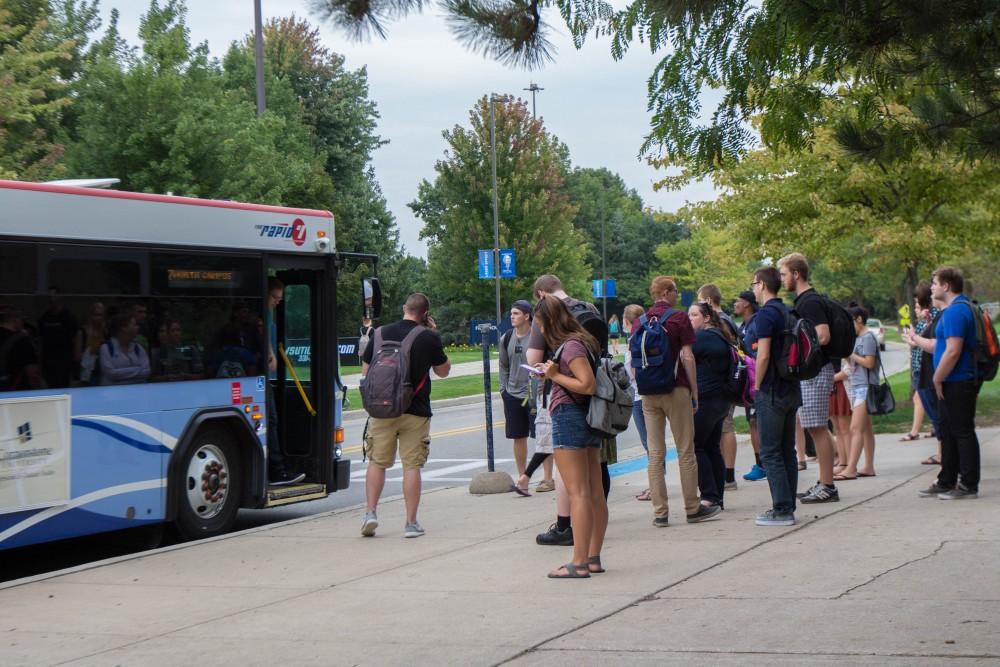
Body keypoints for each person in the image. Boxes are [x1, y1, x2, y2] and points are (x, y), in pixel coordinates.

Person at [528, 274, 609, 546]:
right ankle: (593, 557)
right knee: (592, 491)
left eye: (539, 324)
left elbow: (586, 384)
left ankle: (581, 558)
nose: (538, 329)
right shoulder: (581, 337)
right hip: (586, 415)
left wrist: (553, 375)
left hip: (570, 414)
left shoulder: (571, 345)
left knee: (580, 493)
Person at [360, 293, 451, 537]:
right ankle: (410, 523)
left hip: (382, 410)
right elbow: (443, 371)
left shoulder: (379, 334)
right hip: (415, 410)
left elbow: (366, 371)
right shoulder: (428, 337)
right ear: (425, 314)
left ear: (404, 308)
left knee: (377, 462)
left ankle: (370, 513)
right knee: (412, 466)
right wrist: (433, 333)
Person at [642, 276, 720, 526]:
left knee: (655, 454)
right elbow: (687, 356)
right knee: (686, 450)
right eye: (675, 291)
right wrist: (694, 391)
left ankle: (660, 512)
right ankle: (692, 507)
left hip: (649, 393)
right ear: (666, 292)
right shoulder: (678, 318)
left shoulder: (640, 322)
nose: (677, 294)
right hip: (676, 389)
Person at [914, 267, 981, 499]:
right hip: (951, 379)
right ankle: (947, 480)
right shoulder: (953, 310)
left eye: (934, 283)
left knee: (962, 432)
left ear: (946, 286)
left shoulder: (955, 312)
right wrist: (916, 339)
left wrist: (937, 377)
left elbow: (952, 351)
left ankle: (968, 484)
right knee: (948, 432)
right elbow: (939, 345)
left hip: (958, 380)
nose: (931, 287)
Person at [778, 253, 839, 504]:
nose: (782, 279)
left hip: (815, 370)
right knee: (814, 426)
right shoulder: (805, 300)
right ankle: (824, 481)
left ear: (796, 274)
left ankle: (828, 485)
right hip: (812, 372)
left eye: (783, 274)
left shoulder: (809, 302)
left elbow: (823, 336)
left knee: (818, 427)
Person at [746, 267, 802, 526]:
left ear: (761, 285)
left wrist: (757, 386)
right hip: (791, 386)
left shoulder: (766, 315)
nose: (753, 289)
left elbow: (764, 354)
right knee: (786, 450)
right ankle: (788, 504)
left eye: (754, 284)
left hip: (772, 389)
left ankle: (781, 510)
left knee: (770, 452)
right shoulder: (787, 311)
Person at [502, 300, 552, 495]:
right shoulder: (507, 337)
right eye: (511, 313)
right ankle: (522, 476)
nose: (512, 317)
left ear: (526, 316)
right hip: (513, 393)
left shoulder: (537, 336)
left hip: (534, 392)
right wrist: (503, 389)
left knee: (541, 435)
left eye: (516, 313)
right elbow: (503, 365)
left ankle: (548, 478)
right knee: (518, 436)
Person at [688, 301, 734, 510]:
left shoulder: (702, 338)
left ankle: (709, 495)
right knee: (711, 446)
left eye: (694, 315)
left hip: (707, 399)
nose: (690, 320)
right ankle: (718, 496)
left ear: (706, 317)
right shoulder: (720, 335)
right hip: (722, 400)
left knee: (696, 446)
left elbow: (683, 359)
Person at [698, 284, 740, 490]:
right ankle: (726, 477)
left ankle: (727, 476)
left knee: (723, 430)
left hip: (717, 391)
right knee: (718, 437)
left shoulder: (714, 328)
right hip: (725, 389)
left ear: (707, 303)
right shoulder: (727, 322)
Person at [835, 305, 878, 480]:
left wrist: (850, 354)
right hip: (857, 386)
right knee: (866, 429)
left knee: (855, 428)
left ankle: (851, 468)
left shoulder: (867, 337)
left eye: (850, 322)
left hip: (865, 387)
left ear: (859, 319)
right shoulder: (858, 338)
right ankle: (868, 466)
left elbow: (869, 363)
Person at [734, 290, 765, 483]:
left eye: (737, 301)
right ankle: (760, 463)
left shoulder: (757, 323)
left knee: (759, 422)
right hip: (749, 382)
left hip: (758, 381)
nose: (735, 304)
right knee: (753, 422)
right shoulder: (743, 326)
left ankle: (766, 463)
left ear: (747, 304)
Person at [622, 303, 652, 501]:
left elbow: (633, 375)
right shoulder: (649, 337)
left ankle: (654, 485)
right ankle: (656, 483)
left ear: (626, 322)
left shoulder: (634, 343)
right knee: (653, 443)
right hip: (651, 393)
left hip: (640, 397)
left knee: (649, 443)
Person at [901, 283, 933, 441]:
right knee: (920, 398)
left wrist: (912, 338)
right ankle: (933, 428)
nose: (914, 308)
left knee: (919, 398)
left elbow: (925, 343)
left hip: (923, 367)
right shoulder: (922, 321)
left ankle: (914, 432)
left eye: (916, 305)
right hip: (918, 366)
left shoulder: (929, 320)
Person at [37, 287, 79, 388]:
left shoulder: (69, 316)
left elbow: (76, 338)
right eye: (49, 297)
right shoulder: (44, 317)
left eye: (53, 296)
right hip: (48, 363)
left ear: (60, 296)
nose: (51, 299)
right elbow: (40, 340)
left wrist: (75, 362)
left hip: (64, 362)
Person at [98, 313, 150, 385]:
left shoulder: (138, 348)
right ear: (124, 328)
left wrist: (120, 373)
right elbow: (111, 374)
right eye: (134, 325)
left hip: (136, 393)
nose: (138, 327)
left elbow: (147, 371)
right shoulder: (106, 348)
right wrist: (138, 369)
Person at [0, 306, 44, 391]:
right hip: (15, 392)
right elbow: (32, 373)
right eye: (22, 319)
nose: (23, 323)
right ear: (15, 320)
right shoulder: (22, 340)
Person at [77, 301, 107, 384]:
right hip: (87, 375)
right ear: (91, 315)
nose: (99, 318)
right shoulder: (82, 332)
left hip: (102, 374)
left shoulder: (105, 332)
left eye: (101, 315)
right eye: (96, 315)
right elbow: (77, 356)